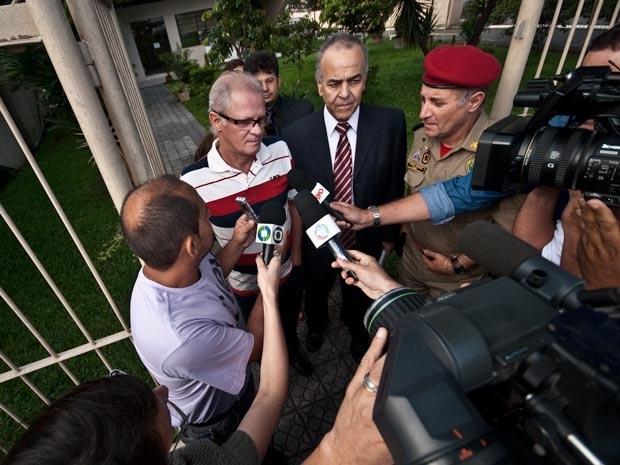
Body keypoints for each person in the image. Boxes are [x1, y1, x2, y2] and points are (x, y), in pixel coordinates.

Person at [2, 315, 392, 465]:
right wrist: (339, 449)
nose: (163, 392)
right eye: (162, 422)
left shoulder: (199, 458)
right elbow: (269, 387)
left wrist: (270, 296)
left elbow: (269, 395)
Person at [281, 33, 407, 362]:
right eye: (334, 83)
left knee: (359, 295)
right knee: (317, 287)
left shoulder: (391, 123)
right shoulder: (294, 135)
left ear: (365, 79)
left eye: (354, 80)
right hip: (316, 240)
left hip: (367, 238)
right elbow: (295, 194)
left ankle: (356, 331)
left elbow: (395, 181)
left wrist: (390, 238)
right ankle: (317, 325)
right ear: (320, 85)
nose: (345, 93)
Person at [180, 72, 313, 377]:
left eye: (261, 118)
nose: (257, 131)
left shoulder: (279, 150)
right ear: (216, 121)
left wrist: (295, 257)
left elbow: (293, 203)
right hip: (243, 287)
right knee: (256, 342)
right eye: (244, 122)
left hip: (286, 272)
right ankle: (268, 375)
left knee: (288, 321)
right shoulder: (193, 182)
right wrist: (237, 243)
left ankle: (292, 349)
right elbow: (199, 253)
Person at [120, 174, 261, 444]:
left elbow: (213, 273)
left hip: (233, 383)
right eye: (205, 218)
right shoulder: (180, 337)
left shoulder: (171, 264)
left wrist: (237, 243)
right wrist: (269, 278)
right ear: (192, 245)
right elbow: (252, 350)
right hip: (218, 425)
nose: (210, 219)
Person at [243, 50, 314, 136]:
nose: (265, 88)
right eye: (258, 83)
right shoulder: (241, 120)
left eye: (269, 81)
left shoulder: (302, 111)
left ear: (278, 81)